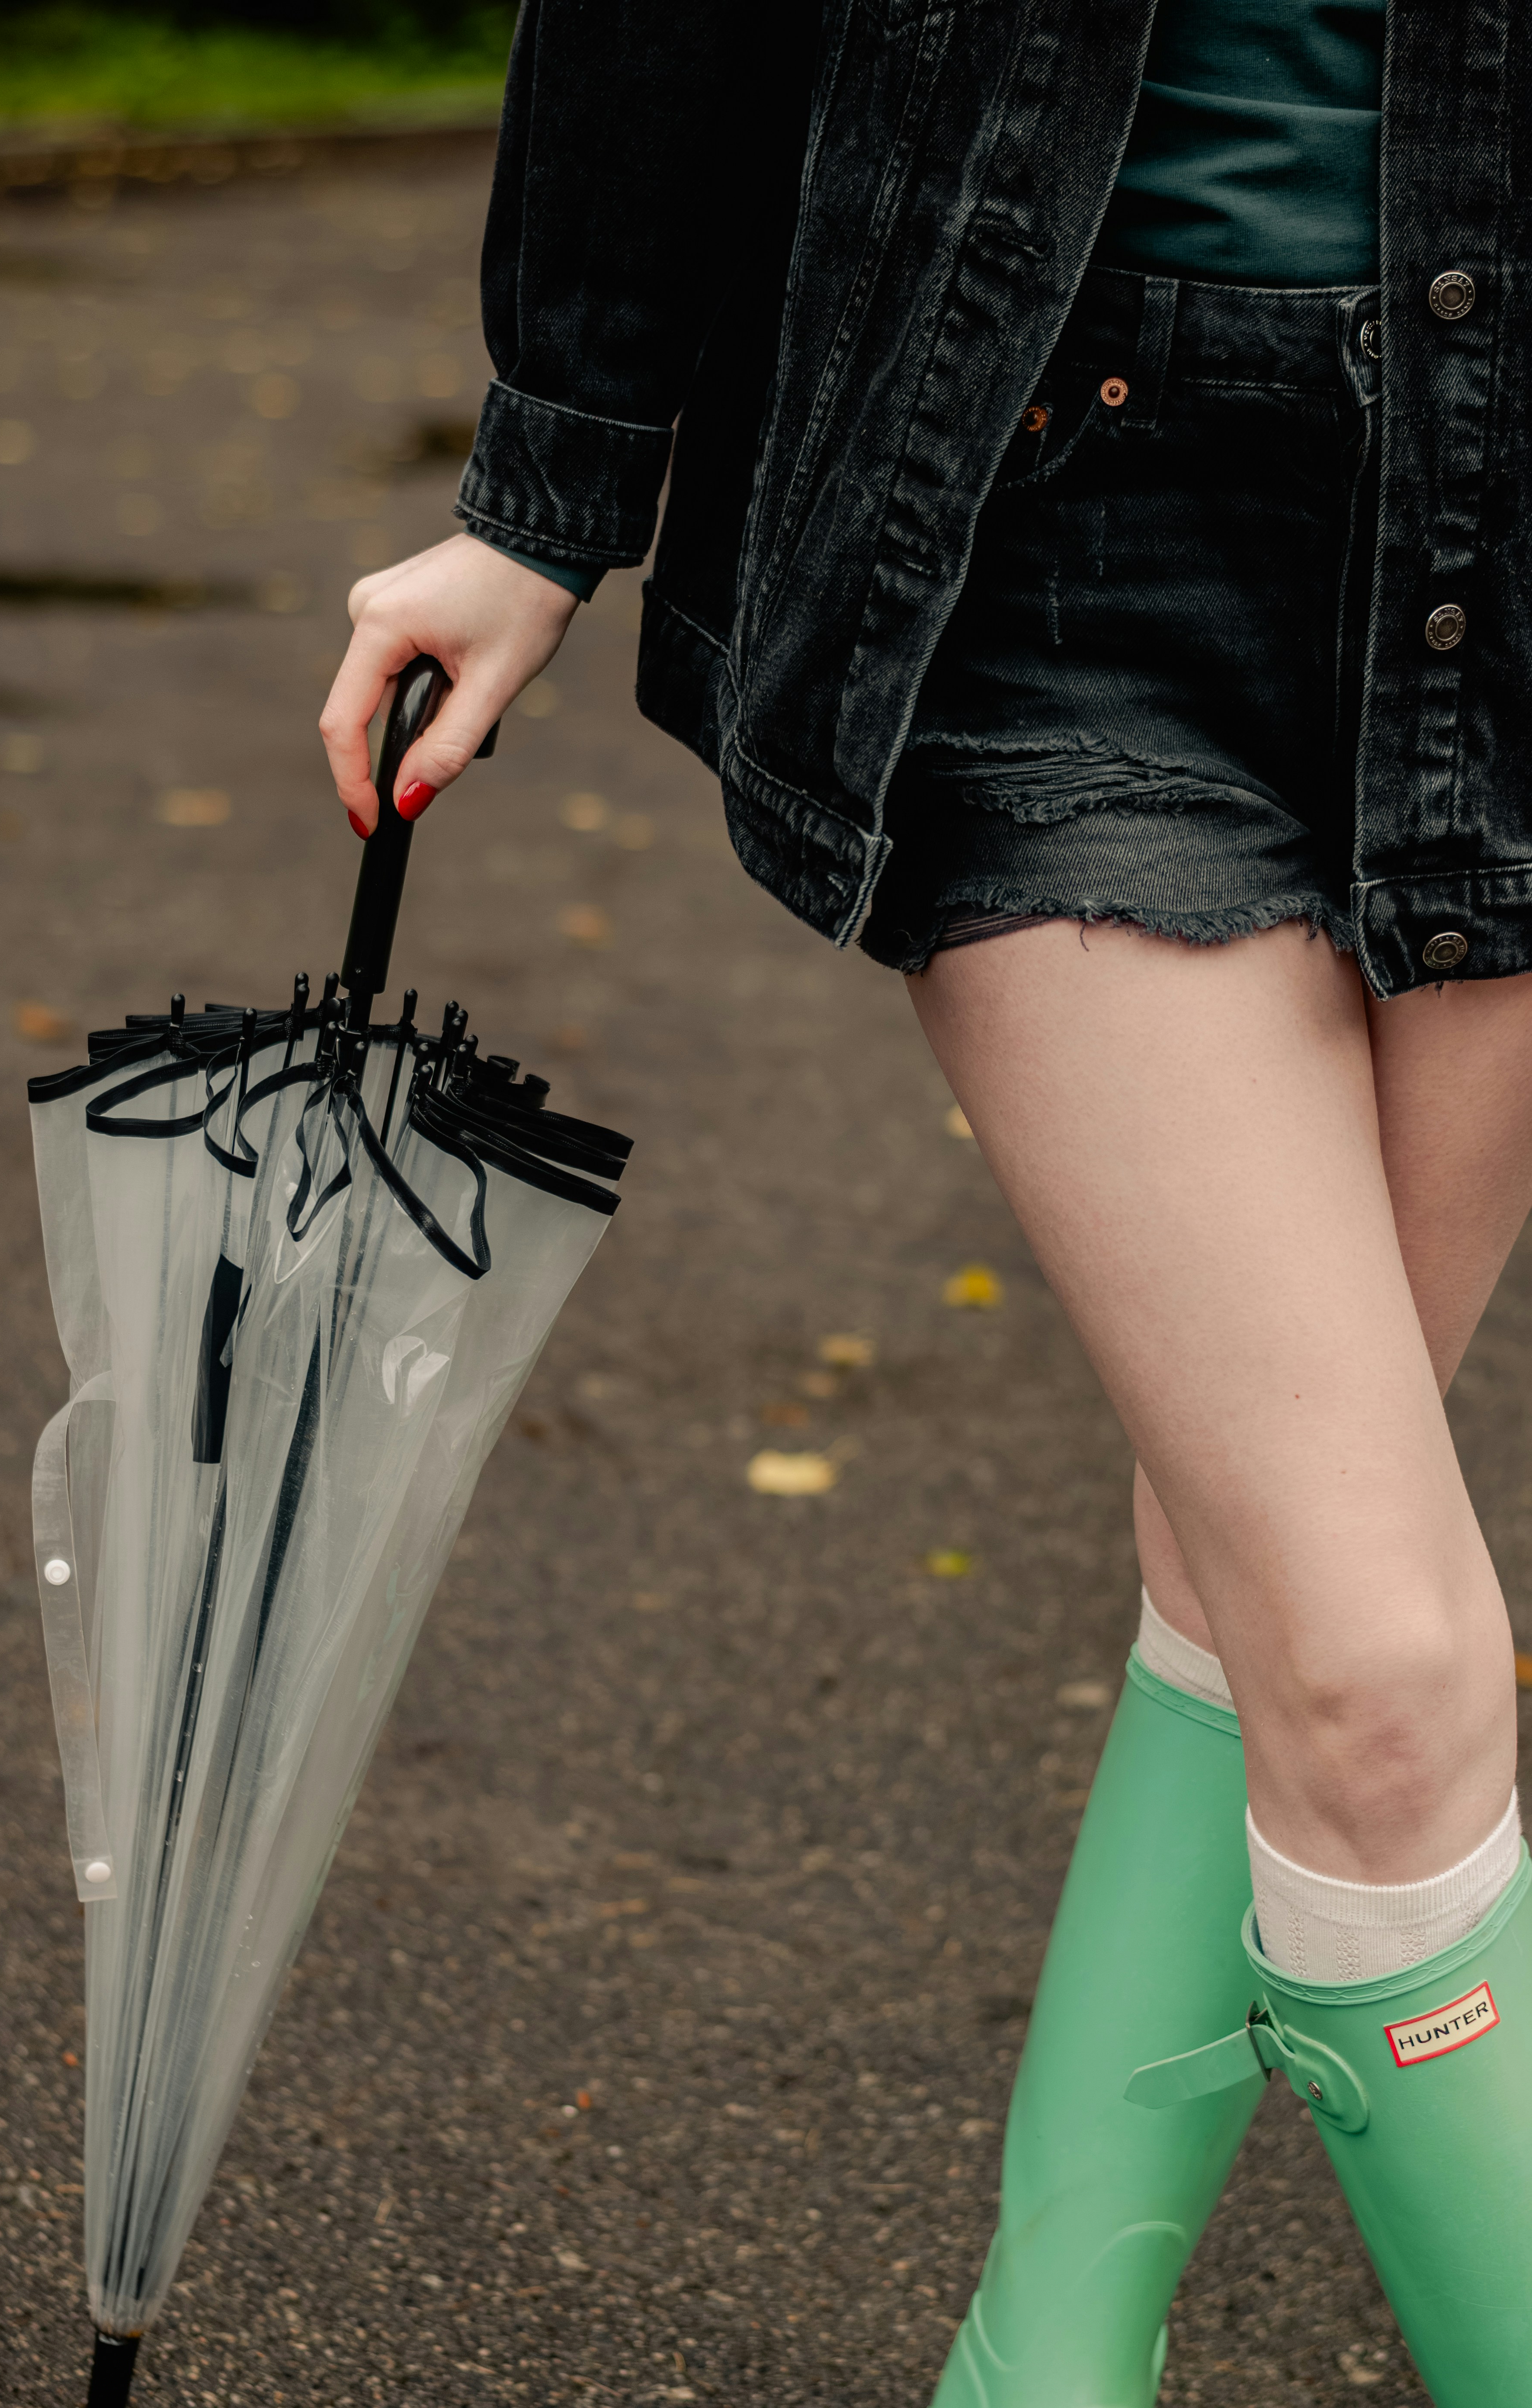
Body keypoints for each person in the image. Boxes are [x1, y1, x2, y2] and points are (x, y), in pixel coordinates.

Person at [319, 2, 1532, 2400]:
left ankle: (1043, 2362)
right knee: (1387, 1683)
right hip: (1052, 511)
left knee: (1260, 1569)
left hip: (1496, 575)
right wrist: (546, 490)